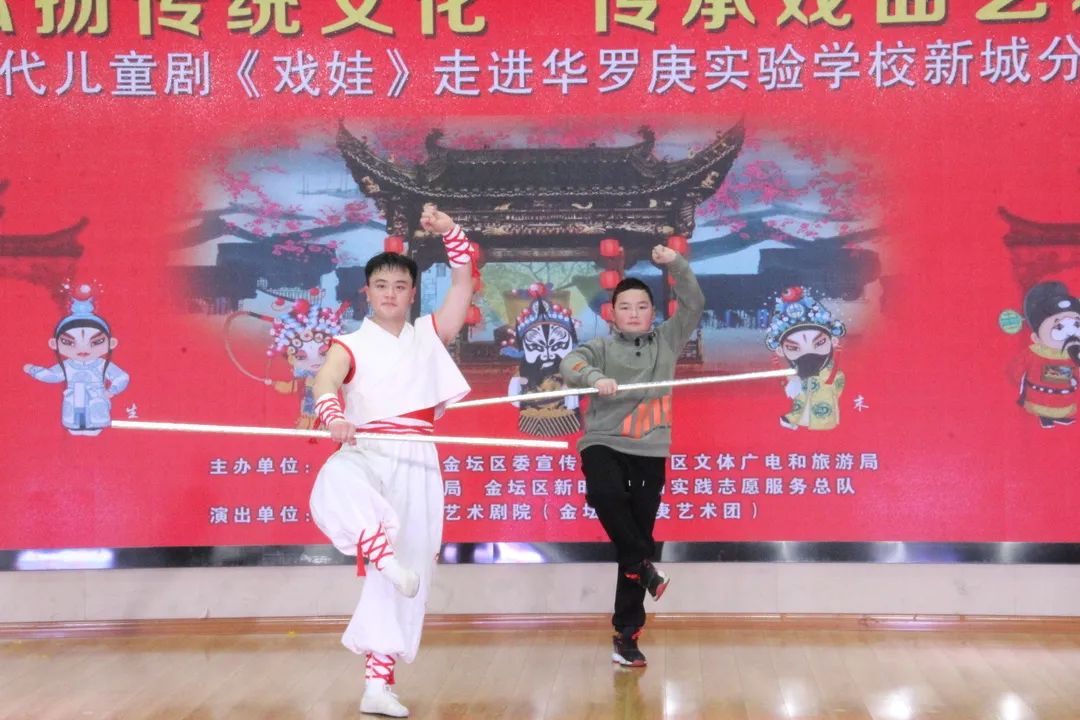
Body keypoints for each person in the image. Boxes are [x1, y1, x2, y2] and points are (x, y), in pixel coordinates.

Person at [308, 204, 474, 717]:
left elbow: (463, 284)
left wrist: (452, 233)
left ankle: (377, 686)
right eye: (381, 285)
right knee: (334, 480)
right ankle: (380, 553)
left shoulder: (429, 334)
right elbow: (325, 379)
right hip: (366, 448)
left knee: (409, 572)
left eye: (400, 286)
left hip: (417, 458)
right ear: (368, 291)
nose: (390, 293)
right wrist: (333, 414)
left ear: (412, 293)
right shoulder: (350, 343)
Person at [560, 244, 704, 667]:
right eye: (626, 307)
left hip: (650, 449)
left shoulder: (668, 340)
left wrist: (675, 263)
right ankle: (645, 565)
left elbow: (694, 303)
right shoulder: (600, 347)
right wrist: (594, 377)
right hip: (603, 441)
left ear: (653, 312)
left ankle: (627, 635)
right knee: (606, 495)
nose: (634, 313)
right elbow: (571, 363)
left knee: (634, 541)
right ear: (612, 313)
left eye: (642, 306)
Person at [24, 284, 129, 436]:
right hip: (73, 403)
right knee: (73, 423)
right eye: (69, 342)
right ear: (54, 344)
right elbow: (52, 376)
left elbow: (122, 377)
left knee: (95, 422)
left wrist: (111, 391)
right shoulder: (67, 365)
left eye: (96, 342)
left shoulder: (102, 365)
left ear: (111, 343)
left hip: (96, 402)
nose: (83, 348)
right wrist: (34, 370)